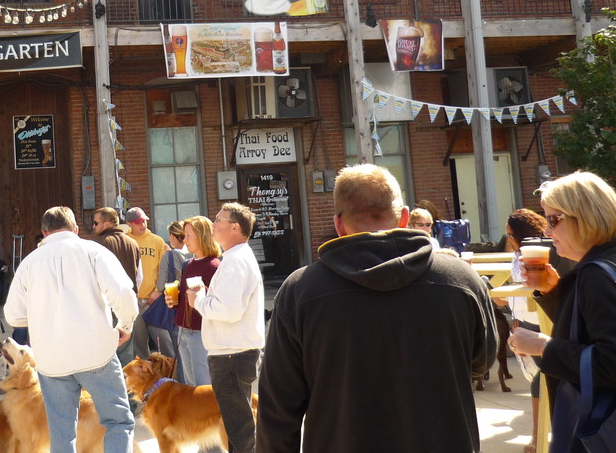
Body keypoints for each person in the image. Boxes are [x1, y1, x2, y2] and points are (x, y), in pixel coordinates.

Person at [257, 164, 497, 453]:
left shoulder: (300, 291)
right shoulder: (462, 280)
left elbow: (278, 409)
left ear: (338, 223)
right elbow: (482, 362)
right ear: (405, 217)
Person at [5, 206, 137, 453]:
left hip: (51, 358)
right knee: (118, 421)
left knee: (62, 432)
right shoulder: (93, 251)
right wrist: (124, 325)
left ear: (44, 232)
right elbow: (122, 293)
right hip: (95, 352)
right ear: (76, 229)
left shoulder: (28, 263)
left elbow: (14, 315)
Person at [509, 171, 616, 453]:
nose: (546, 231)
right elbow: (589, 329)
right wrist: (554, 293)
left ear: (586, 217)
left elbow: (611, 362)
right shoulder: (605, 264)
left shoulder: (598, 275)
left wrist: (545, 347)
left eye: (553, 220)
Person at [188, 203, 264, 453]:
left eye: (219, 219)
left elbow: (229, 310)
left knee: (238, 427)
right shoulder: (235, 258)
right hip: (234, 352)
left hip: (231, 355)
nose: (213, 224)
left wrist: (198, 300)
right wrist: (206, 296)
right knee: (236, 425)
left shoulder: (234, 261)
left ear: (235, 227)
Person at [498, 208, 549, 453]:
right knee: (538, 382)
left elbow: (532, 290)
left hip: (540, 323)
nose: (508, 238)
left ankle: (538, 439)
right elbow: (520, 293)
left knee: (542, 382)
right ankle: (538, 437)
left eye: (510, 233)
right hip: (524, 322)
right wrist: (506, 303)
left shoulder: (537, 255)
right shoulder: (519, 256)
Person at [165, 216, 219, 385]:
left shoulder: (215, 266)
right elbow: (185, 297)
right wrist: (174, 299)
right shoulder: (187, 264)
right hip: (182, 328)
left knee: (202, 385)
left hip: (200, 331)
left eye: (189, 235)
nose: (185, 240)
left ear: (202, 236)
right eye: (184, 235)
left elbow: (217, 302)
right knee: (189, 384)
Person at [92, 206, 142, 366]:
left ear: (106, 224)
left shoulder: (96, 245)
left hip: (105, 309)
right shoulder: (133, 243)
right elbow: (140, 277)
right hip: (128, 306)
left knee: (104, 360)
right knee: (126, 359)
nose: (93, 227)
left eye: (95, 223)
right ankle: (125, 391)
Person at [124, 207, 168, 359]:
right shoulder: (125, 241)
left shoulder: (157, 241)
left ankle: (173, 375)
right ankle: (146, 380)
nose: (142, 225)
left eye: (144, 221)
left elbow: (165, 269)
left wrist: (159, 291)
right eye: (138, 222)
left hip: (154, 300)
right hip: (133, 301)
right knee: (139, 345)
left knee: (165, 341)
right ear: (129, 224)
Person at [153, 221, 188, 365]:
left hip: (174, 304)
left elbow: (161, 285)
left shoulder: (169, 256)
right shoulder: (195, 253)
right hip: (194, 306)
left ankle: (178, 379)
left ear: (172, 236)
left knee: (175, 346)